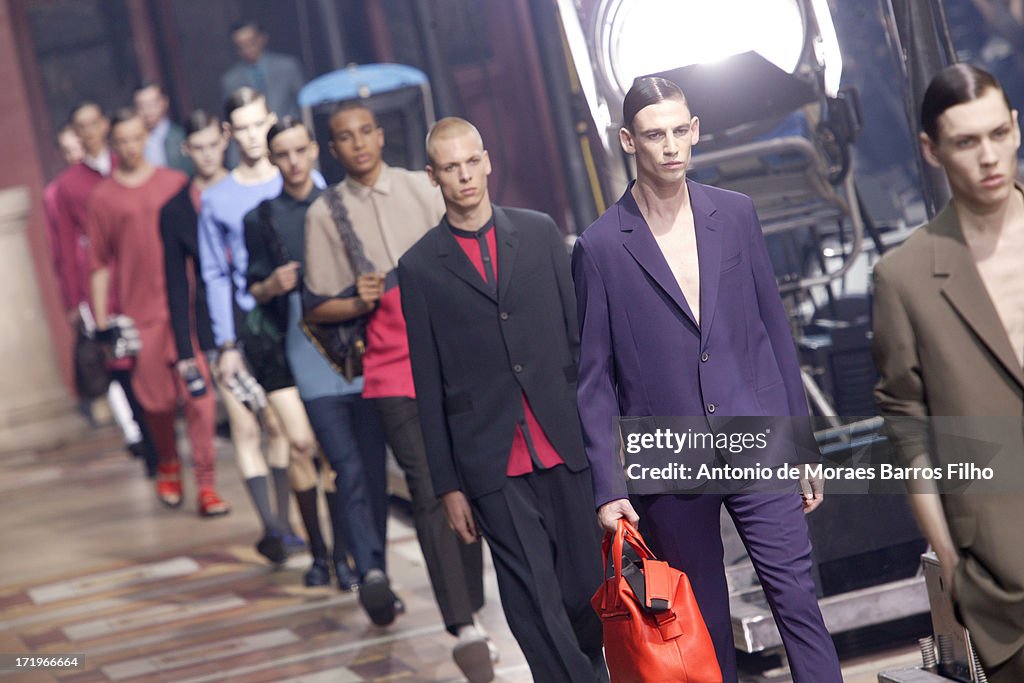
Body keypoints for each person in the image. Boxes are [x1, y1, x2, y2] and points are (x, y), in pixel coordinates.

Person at [572, 77, 841, 682]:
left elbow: (774, 332)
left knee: (798, 602)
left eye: (679, 131)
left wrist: (802, 444)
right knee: (701, 624)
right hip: (668, 457)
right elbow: (594, 380)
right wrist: (607, 487)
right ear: (627, 141)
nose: (670, 146)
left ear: (695, 130)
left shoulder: (735, 213)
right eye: (653, 134)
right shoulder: (600, 248)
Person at [399, 117, 607, 682]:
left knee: (590, 588)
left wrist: (602, 438)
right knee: (533, 598)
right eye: (450, 167)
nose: (464, 176)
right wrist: (447, 485)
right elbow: (427, 380)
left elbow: (579, 344)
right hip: (490, 456)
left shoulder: (539, 233)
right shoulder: (418, 268)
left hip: (564, 439)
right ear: (432, 176)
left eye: (471, 162)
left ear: (488, 161)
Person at [303, 104, 492, 679]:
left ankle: (474, 606)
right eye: (344, 137)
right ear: (331, 149)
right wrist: (360, 299)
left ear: (381, 136)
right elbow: (316, 309)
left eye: (366, 131)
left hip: (455, 357)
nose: (358, 144)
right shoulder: (324, 213)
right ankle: (462, 624)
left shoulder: (425, 184)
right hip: (390, 369)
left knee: (474, 480)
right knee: (430, 489)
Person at [872, 63, 1024, 681]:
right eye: (966, 141)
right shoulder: (904, 278)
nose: (989, 157)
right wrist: (957, 571)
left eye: (998, 134)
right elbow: (910, 437)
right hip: (1005, 581)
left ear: (1016, 127)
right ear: (932, 151)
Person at [244, 117, 394, 613]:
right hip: (304, 350)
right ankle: (355, 562)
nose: (292, 161)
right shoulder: (262, 218)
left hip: (359, 346)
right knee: (341, 460)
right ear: (272, 159)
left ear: (314, 151)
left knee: (370, 465)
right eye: (281, 153)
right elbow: (254, 288)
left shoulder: (342, 204)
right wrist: (273, 284)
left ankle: (367, 560)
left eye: (299, 150)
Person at [198, 87, 321, 563]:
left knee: (304, 435)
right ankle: (280, 526)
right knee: (274, 429)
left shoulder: (303, 176)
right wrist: (226, 341)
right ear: (229, 133)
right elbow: (215, 273)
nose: (252, 136)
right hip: (257, 326)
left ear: (270, 119)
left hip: (313, 318)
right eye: (242, 128)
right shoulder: (218, 199)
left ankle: (302, 533)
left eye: (258, 123)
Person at [86, 108, 224, 515]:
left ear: (147, 137)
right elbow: (98, 262)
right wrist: (102, 324)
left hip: (185, 311)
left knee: (200, 400)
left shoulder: (175, 184)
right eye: (122, 141)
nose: (131, 147)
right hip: (139, 314)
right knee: (157, 403)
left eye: (136, 138)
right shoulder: (103, 198)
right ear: (113, 146)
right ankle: (167, 459)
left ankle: (207, 483)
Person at [51, 102, 157, 473]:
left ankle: (161, 433)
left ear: (106, 124)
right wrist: (74, 300)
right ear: (76, 134)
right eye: (82, 126)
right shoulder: (68, 186)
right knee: (121, 361)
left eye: (95, 123)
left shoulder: (127, 166)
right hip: (102, 282)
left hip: (142, 273)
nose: (90, 131)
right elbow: (65, 245)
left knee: (154, 355)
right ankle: (144, 437)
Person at [158, 109, 236, 516]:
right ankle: (206, 486)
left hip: (256, 313)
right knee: (202, 406)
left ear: (225, 138)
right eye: (198, 148)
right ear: (186, 150)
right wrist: (185, 350)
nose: (207, 156)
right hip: (207, 321)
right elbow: (175, 282)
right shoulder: (174, 211)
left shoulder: (248, 187)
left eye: (212, 145)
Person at [221, 20, 304, 121]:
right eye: (241, 46)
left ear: (263, 38)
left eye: (251, 42)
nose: (247, 49)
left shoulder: (287, 66)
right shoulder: (231, 80)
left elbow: (305, 104)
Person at [133, 81, 192, 175]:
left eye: (152, 104)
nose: (148, 110)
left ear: (164, 102)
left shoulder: (181, 136)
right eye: (141, 106)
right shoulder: (132, 142)